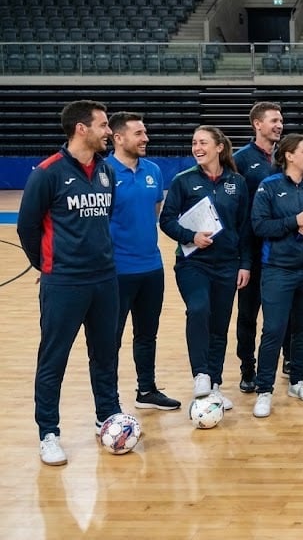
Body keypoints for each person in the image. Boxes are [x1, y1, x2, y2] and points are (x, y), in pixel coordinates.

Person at [18, 99, 120, 465]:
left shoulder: (106, 171)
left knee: (105, 355)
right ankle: (48, 433)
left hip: (105, 279)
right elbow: (27, 227)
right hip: (64, 282)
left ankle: (108, 418)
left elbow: (105, 216)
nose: (109, 132)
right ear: (82, 128)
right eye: (103, 125)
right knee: (53, 359)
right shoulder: (47, 172)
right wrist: (47, 266)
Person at [159, 125, 252, 412]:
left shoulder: (237, 182)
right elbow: (166, 220)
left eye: (203, 143)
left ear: (219, 147)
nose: (197, 148)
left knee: (219, 326)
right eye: (194, 143)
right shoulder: (183, 181)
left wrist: (245, 264)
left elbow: (245, 228)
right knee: (199, 309)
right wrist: (191, 236)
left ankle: (215, 384)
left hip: (228, 264)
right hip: (193, 263)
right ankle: (201, 374)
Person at [249, 134, 303, 418]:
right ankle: (264, 390)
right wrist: (293, 222)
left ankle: (298, 381)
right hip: (278, 269)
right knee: (274, 330)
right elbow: (259, 226)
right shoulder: (269, 186)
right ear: (289, 155)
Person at [107, 112, 180, 411]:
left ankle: (146, 390)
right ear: (118, 138)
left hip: (151, 268)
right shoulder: (103, 172)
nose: (145, 138)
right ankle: (108, 401)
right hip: (116, 271)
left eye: (145, 132)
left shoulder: (153, 170)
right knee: (110, 339)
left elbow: (155, 212)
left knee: (147, 334)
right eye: (138, 133)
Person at [233, 102, 287, 391]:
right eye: (274, 120)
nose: (279, 125)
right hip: (252, 249)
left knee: (285, 310)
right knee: (248, 314)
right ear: (257, 124)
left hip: (282, 246)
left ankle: (290, 360)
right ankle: (247, 368)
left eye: (281, 120)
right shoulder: (240, 159)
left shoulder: (286, 156)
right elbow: (236, 209)